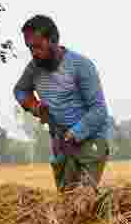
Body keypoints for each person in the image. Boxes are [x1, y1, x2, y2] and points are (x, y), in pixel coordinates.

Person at [13, 14, 111, 192]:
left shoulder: (81, 66)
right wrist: (35, 107)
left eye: (38, 46)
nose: (34, 53)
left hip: (90, 141)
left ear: (53, 41)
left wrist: (73, 134)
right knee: (66, 201)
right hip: (61, 144)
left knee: (82, 200)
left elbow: (99, 110)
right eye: (29, 48)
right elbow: (20, 91)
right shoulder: (34, 68)